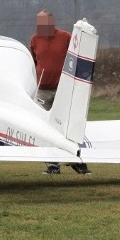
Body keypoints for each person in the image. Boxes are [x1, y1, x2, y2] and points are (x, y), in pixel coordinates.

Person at [29, 9, 90, 175]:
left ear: (52, 22)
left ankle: (77, 160)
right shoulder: (35, 39)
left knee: (68, 125)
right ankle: (52, 164)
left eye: (44, 23)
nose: (41, 26)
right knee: (43, 128)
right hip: (42, 92)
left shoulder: (65, 37)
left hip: (62, 91)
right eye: (39, 23)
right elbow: (33, 61)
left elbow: (75, 58)